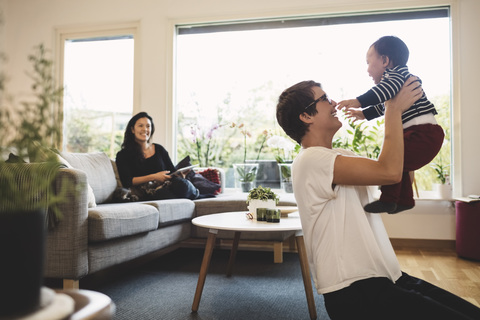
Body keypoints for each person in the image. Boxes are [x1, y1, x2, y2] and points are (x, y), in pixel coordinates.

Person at [276, 78, 480, 320]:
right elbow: (390, 172)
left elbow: (398, 170)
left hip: (385, 275)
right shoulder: (310, 160)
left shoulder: (340, 155)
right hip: (354, 288)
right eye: (323, 99)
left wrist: (415, 126)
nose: (332, 102)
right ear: (306, 116)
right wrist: (392, 108)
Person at [337, 36, 444, 214]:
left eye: (369, 63)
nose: (367, 70)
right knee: (398, 165)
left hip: (423, 134)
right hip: (420, 134)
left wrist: (358, 101)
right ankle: (404, 200)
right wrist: (364, 114)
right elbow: (384, 105)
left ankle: (388, 200)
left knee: (392, 163)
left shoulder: (397, 76)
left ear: (385, 60)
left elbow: (381, 93)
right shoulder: (397, 82)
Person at [116, 111, 199, 201]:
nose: (145, 129)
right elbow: (127, 181)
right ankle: (188, 195)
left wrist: (180, 175)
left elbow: (172, 171)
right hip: (148, 192)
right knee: (162, 194)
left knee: (181, 184)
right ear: (132, 129)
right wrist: (154, 176)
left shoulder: (159, 149)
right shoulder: (123, 155)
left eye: (148, 126)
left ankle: (191, 193)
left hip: (167, 186)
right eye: (140, 126)